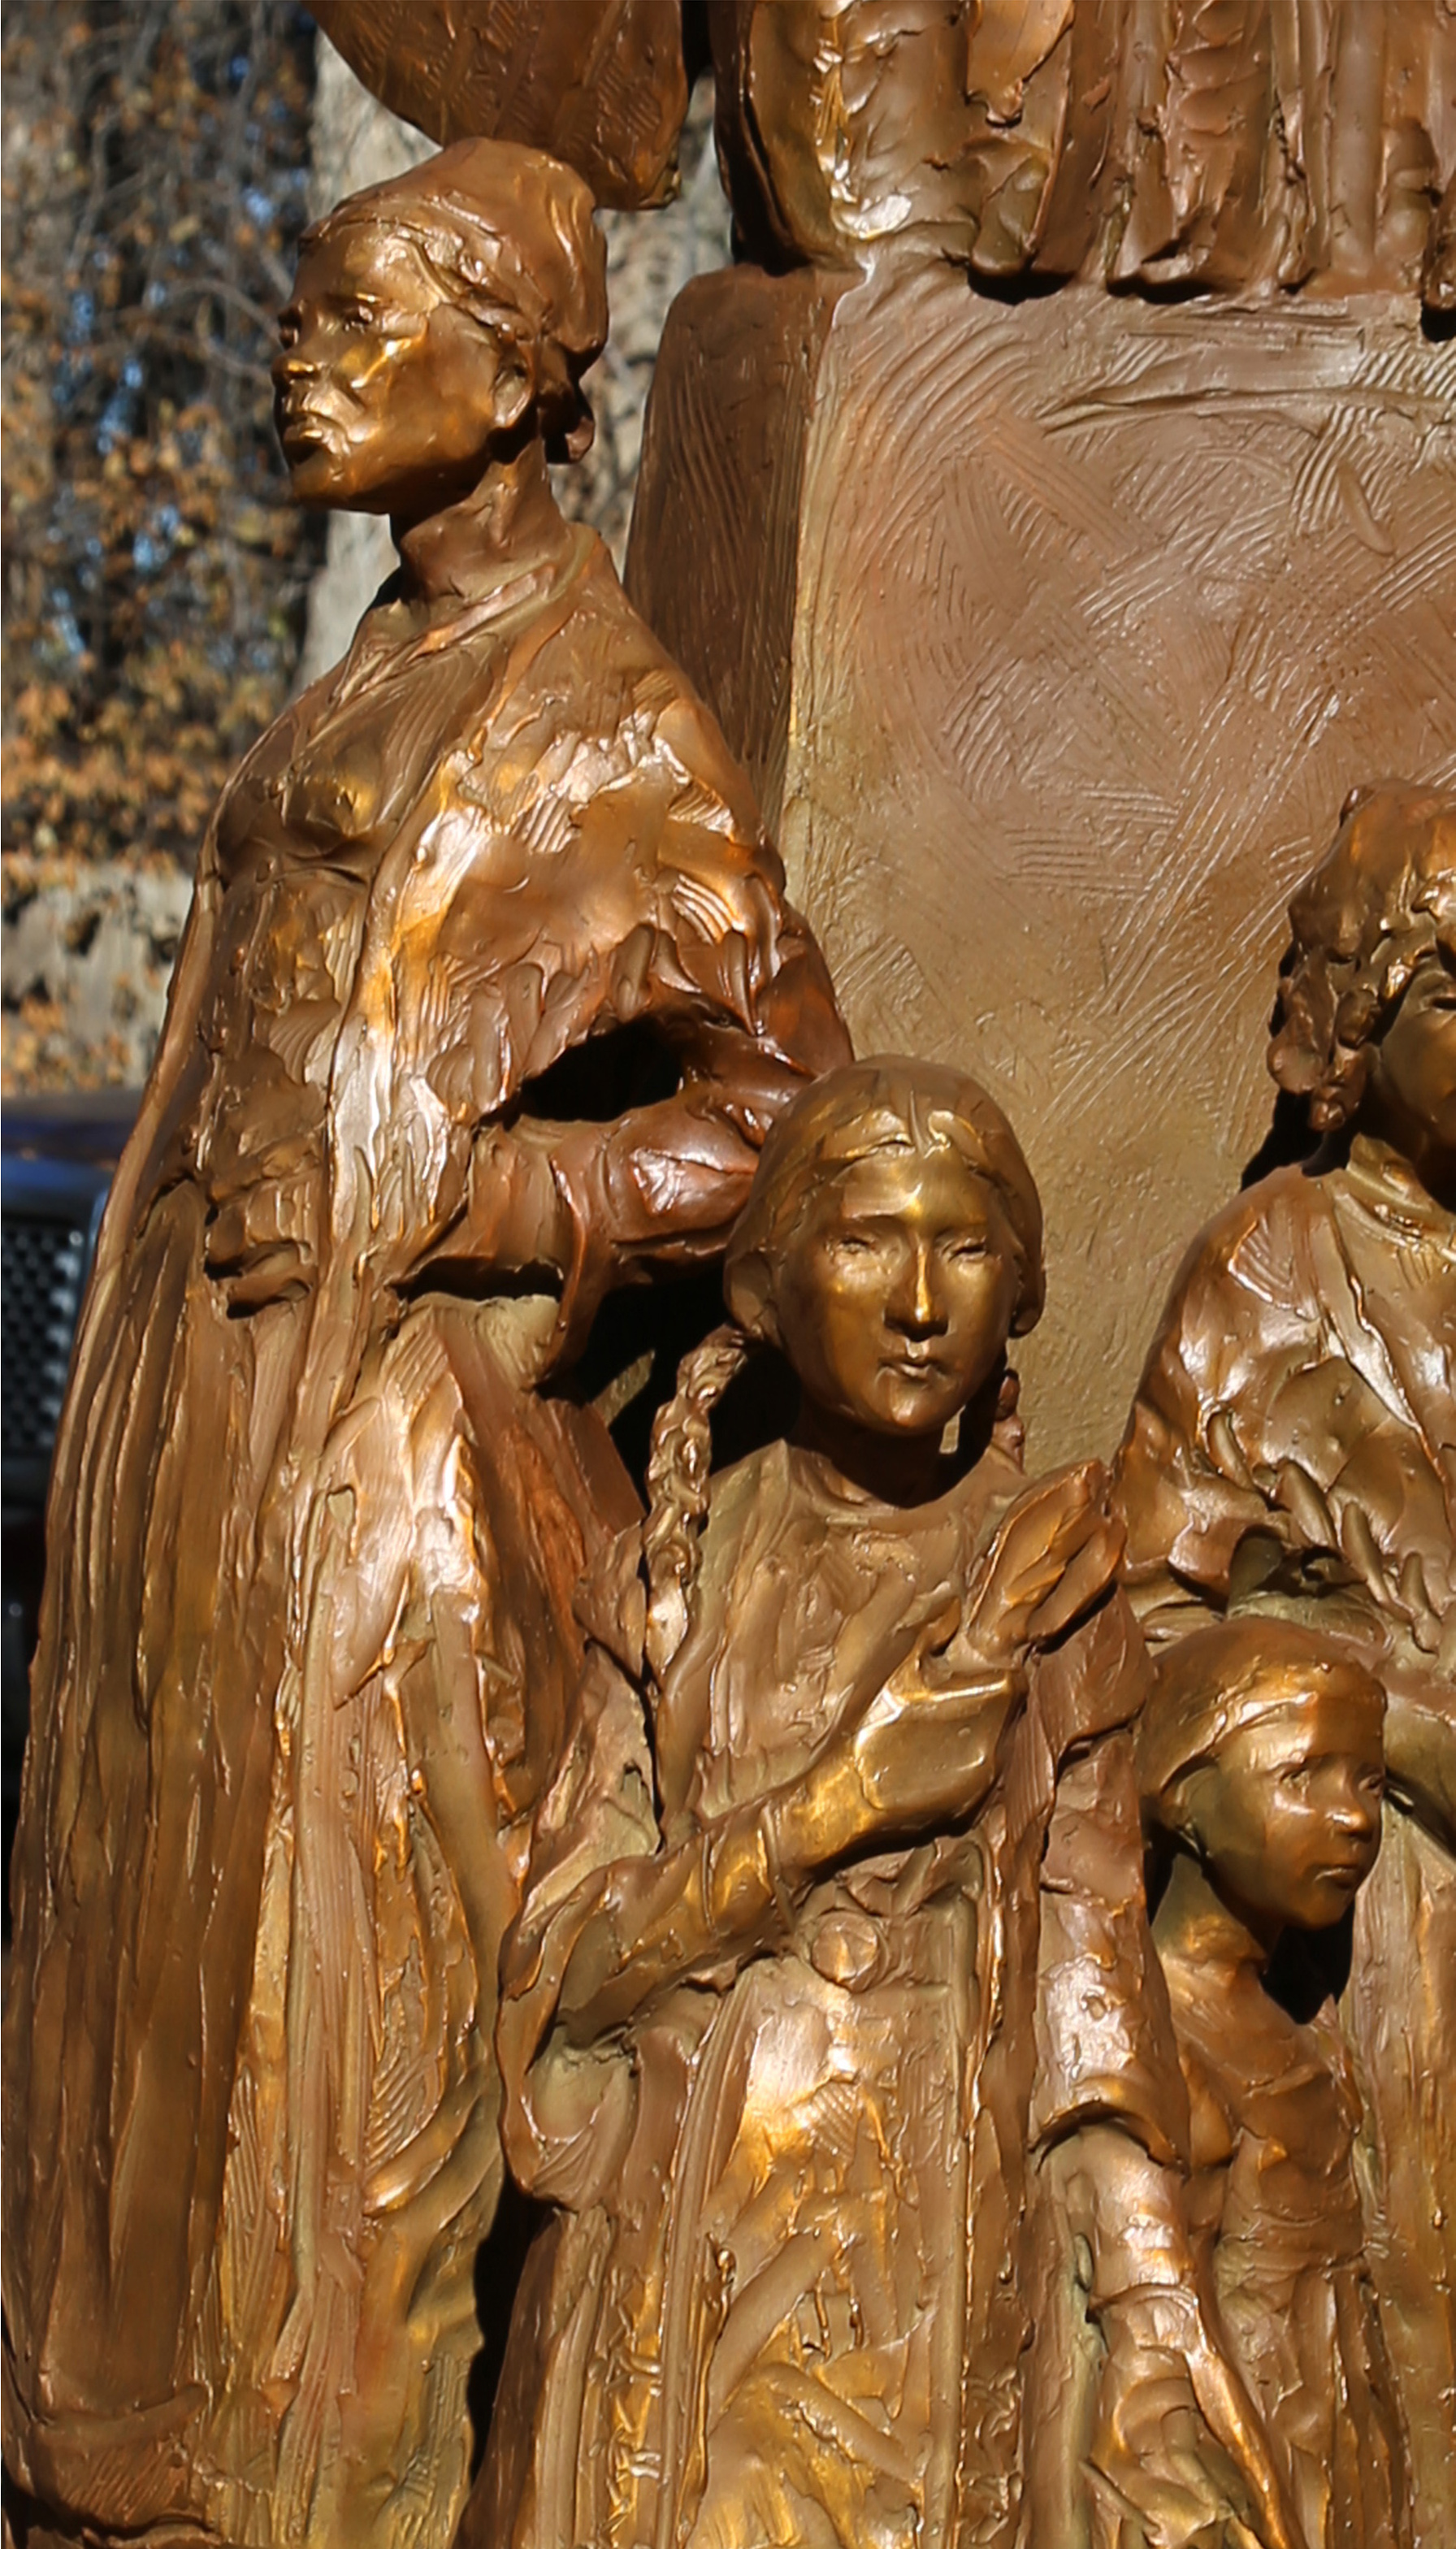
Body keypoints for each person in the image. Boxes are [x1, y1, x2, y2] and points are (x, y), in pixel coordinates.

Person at [1, 141, 848, 2549]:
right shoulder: (371, 654)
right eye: (299, 310)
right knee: (140, 2012)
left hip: (372, 1471)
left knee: (320, 2037)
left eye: (363, 316)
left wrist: (510, 1194)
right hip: (194, 1425)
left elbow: (787, 1103)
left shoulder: (608, 721)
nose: (303, 355)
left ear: (520, 372)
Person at [470, 1058, 1302, 2549]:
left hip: (921, 2278)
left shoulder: (1054, 1588)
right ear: (771, 1287)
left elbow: (1088, 2010)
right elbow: (563, 1975)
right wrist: (828, 1808)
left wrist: (1151, 2330)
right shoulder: (674, 1565)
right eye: (864, 1240)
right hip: (667, 2283)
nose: (920, 1298)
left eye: (964, 1246)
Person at [1116, 778, 1456, 2542]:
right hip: (1381, 1916)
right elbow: (1150, 1619)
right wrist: (1385, 1720)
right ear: (1357, 1022)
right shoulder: (1271, 1275)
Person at [1139, 1615, 1410, 2549]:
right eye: (1302, 1775)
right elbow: (1167, 2349)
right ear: (1182, 1795)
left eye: (1369, 1780)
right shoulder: (1156, 2045)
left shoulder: (1301, 2034)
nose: (1354, 1816)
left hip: (1345, 2474)